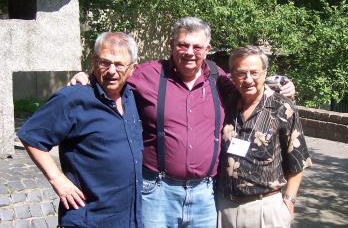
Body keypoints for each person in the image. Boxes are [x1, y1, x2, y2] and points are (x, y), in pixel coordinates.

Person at [69, 17, 296, 228]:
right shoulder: (147, 74)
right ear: (171, 45)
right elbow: (114, 72)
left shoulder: (220, 79)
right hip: (157, 191)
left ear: (207, 50)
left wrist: (284, 84)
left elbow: (250, 82)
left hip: (205, 194)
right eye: (182, 45)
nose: (189, 52)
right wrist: (86, 75)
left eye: (197, 47)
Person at [17, 32, 143, 228]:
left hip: (128, 218)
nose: (111, 71)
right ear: (94, 61)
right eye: (104, 63)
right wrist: (57, 179)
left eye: (119, 64)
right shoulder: (73, 98)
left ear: (132, 68)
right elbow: (32, 136)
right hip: (88, 219)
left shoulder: (133, 97)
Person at [217, 45, 312, 228]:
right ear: (232, 74)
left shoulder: (282, 108)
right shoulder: (225, 103)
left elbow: (297, 161)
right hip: (224, 206)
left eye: (255, 73)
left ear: (265, 72)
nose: (248, 79)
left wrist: (289, 201)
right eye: (241, 73)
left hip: (264, 207)